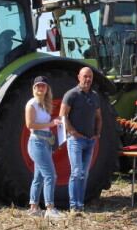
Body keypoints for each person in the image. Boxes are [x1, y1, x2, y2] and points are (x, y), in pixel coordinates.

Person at [59, 67, 103, 214]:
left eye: (90, 76)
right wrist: (72, 132)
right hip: (76, 141)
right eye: (85, 76)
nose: (88, 79)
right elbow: (62, 116)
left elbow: (98, 116)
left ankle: (80, 205)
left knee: (84, 175)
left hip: (90, 141)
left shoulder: (95, 96)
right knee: (76, 172)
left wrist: (97, 134)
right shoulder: (71, 94)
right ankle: (73, 206)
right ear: (79, 77)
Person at [26, 76, 65, 219]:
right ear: (34, 88)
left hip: (45, 142)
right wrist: (50, 124)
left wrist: (56, 122)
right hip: (37, 142)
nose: (40, 88)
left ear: (47, 88)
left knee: (38, 177)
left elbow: (44, 124)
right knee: (50, 175)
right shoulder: (32, 104)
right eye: (38, 86)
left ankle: (33, 208)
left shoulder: (43, 104)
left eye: (43, 86)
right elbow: (29, 124)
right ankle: (50, 208)